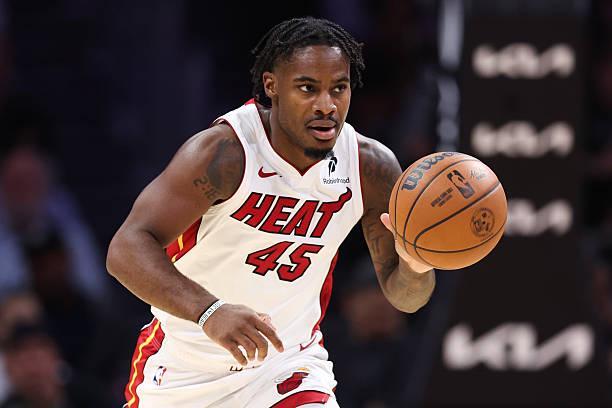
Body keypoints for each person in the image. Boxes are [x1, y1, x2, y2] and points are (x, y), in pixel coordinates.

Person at [107, 17, 436, 407]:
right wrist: (209, 311)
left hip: (287, 367)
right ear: (271, 86)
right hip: (186, 370)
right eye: (307, 88)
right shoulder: (224, 154)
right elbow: (125, 248)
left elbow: (406, 298)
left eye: (339, 88)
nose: (326, 105)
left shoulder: (370, 167)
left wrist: (416, 265)